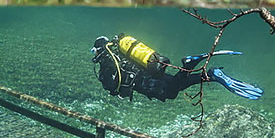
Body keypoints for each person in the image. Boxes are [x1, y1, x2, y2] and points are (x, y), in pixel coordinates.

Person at [90, 34, 263, 102]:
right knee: (177, 84)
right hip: (150, 70)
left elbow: (114, 86)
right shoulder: (119, 52)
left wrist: (116, 91)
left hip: (143, 82)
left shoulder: (107, 63)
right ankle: (211, 75)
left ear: (98, 50)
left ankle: (189, 64)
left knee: (171, 93)